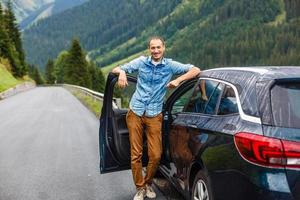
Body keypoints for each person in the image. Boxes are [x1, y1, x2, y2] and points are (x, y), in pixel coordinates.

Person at [112, 36, 200, 200]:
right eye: (153, 48)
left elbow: (196, 70)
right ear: (149, 49)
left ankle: (148, 182)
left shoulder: (170, 66)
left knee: (156, 154)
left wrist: (178, 81)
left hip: (154, 114)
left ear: (164, 48)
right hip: (136, 111)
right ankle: (140, 188)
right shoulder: (141, 62)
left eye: (158, 47)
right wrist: (122, 72)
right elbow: (116, 69)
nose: (156, 50)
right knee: (136, 154)